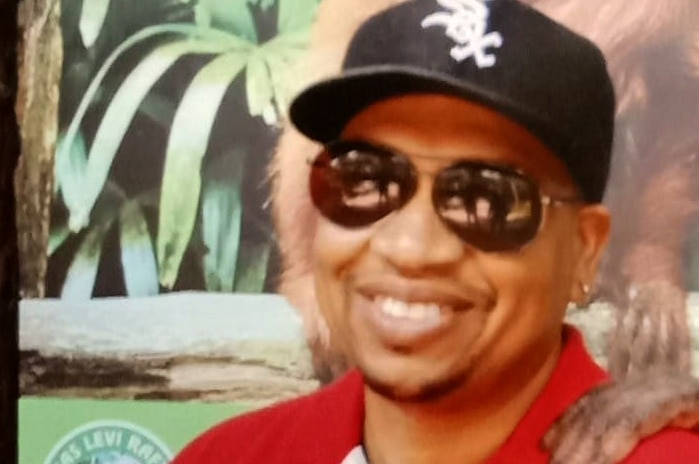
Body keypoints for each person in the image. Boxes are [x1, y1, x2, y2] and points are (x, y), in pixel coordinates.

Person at [173, 0, 699, 462]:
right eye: (367, 178)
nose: (410, 248)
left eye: (486, 197)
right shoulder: (227, 457)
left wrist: (651, 258)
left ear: (585, 248)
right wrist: (309, 275)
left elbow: (671, 100)